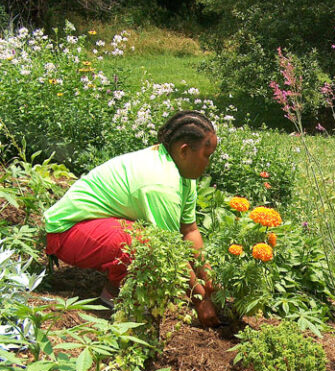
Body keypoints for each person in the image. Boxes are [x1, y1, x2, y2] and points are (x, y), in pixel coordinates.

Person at [44, 110, 220, 328]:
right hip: (66, 233)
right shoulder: (161, 181)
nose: (208, 163)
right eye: (206, 155)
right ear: (184, 151)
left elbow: (189, 231)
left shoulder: (183, 176)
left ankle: (124, 285)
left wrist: (209, 280)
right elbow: (170, 247)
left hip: (97, 227)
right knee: (146, 244)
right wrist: (200, 300)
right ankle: (115, 296)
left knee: (149, 242)